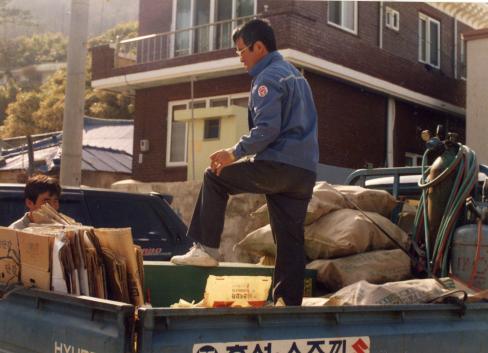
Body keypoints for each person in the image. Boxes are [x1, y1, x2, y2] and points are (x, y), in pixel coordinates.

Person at [170, 19, 319, 306]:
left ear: (259, 47)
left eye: (242, 51)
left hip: (279, 166)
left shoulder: (267, 78)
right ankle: (288, 304)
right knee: (290, 240)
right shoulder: (296, 76)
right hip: (304, 172)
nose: (240, 58)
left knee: (215, 176)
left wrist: (234, 152)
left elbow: (267, 130)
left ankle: (207, 249)